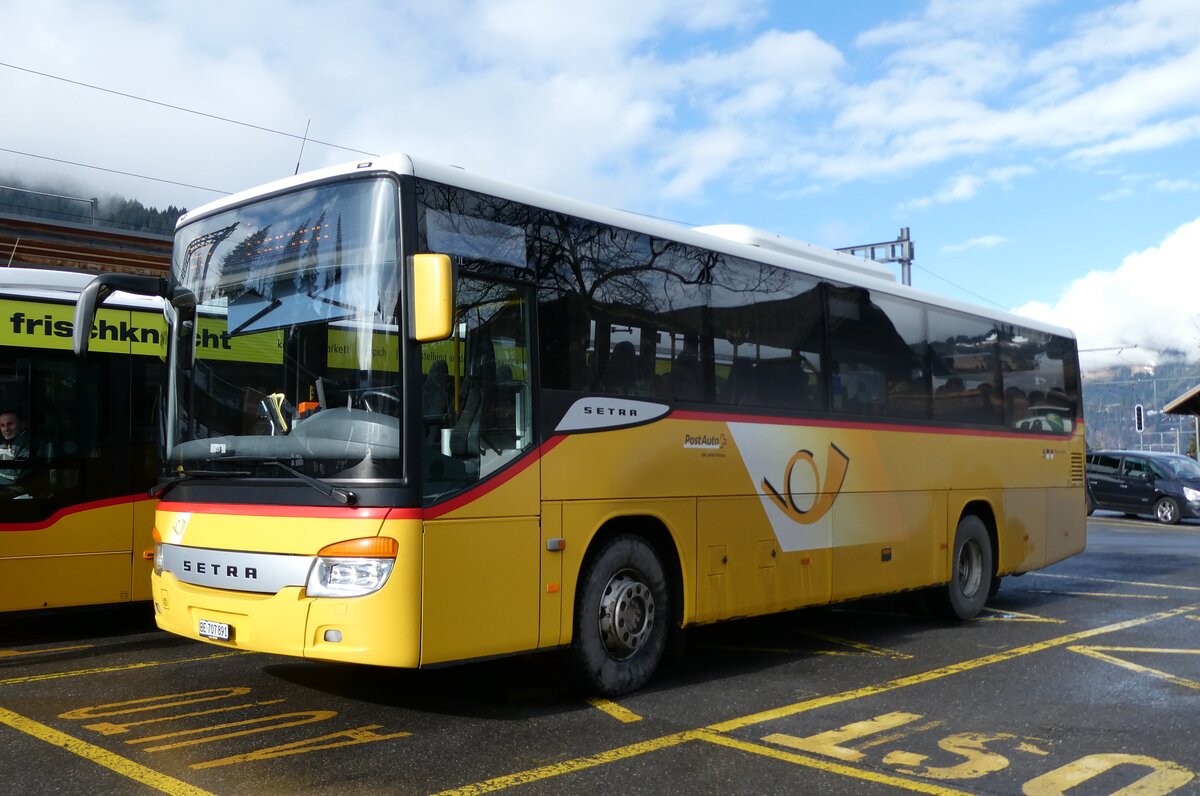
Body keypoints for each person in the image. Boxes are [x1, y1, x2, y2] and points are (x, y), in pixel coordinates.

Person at [0, 409, 30, 492]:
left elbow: (17, 473)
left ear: (22, 425)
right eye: (2, 425)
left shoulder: (28, 444)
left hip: (17, 492)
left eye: (10, 424)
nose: (6, 429)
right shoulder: (4, 443)